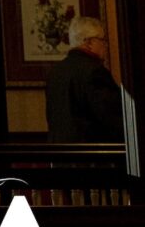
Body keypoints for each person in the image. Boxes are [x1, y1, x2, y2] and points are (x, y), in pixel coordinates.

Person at [46, 15, 126, 143]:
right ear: (89, 43)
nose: (105, 45)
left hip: (59, 150)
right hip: (90, 151)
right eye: (102, 40)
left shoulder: (55, 72)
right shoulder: (95, 72)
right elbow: (112, 117)